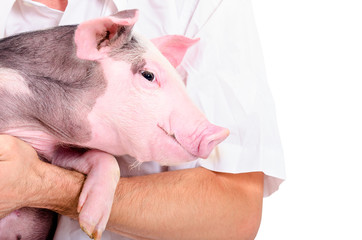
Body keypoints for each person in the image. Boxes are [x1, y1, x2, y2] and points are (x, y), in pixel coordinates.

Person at [0, 0, 285, 239]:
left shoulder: (199, 6)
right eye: (149, 76)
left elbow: (237, 211)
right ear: (100, 36)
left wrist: (44, 185)